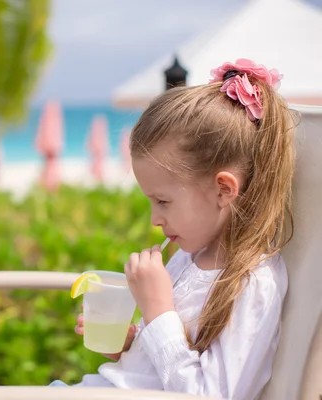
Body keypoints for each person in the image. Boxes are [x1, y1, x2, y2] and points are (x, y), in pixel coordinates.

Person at [52, 59, 296, 400]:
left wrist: (157, 310)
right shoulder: (189, 255)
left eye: (163, 202)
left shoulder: (252, 282)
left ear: (223, 190)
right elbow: (161, 367)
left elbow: (210, 394)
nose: (154, 218)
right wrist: (131, 343)